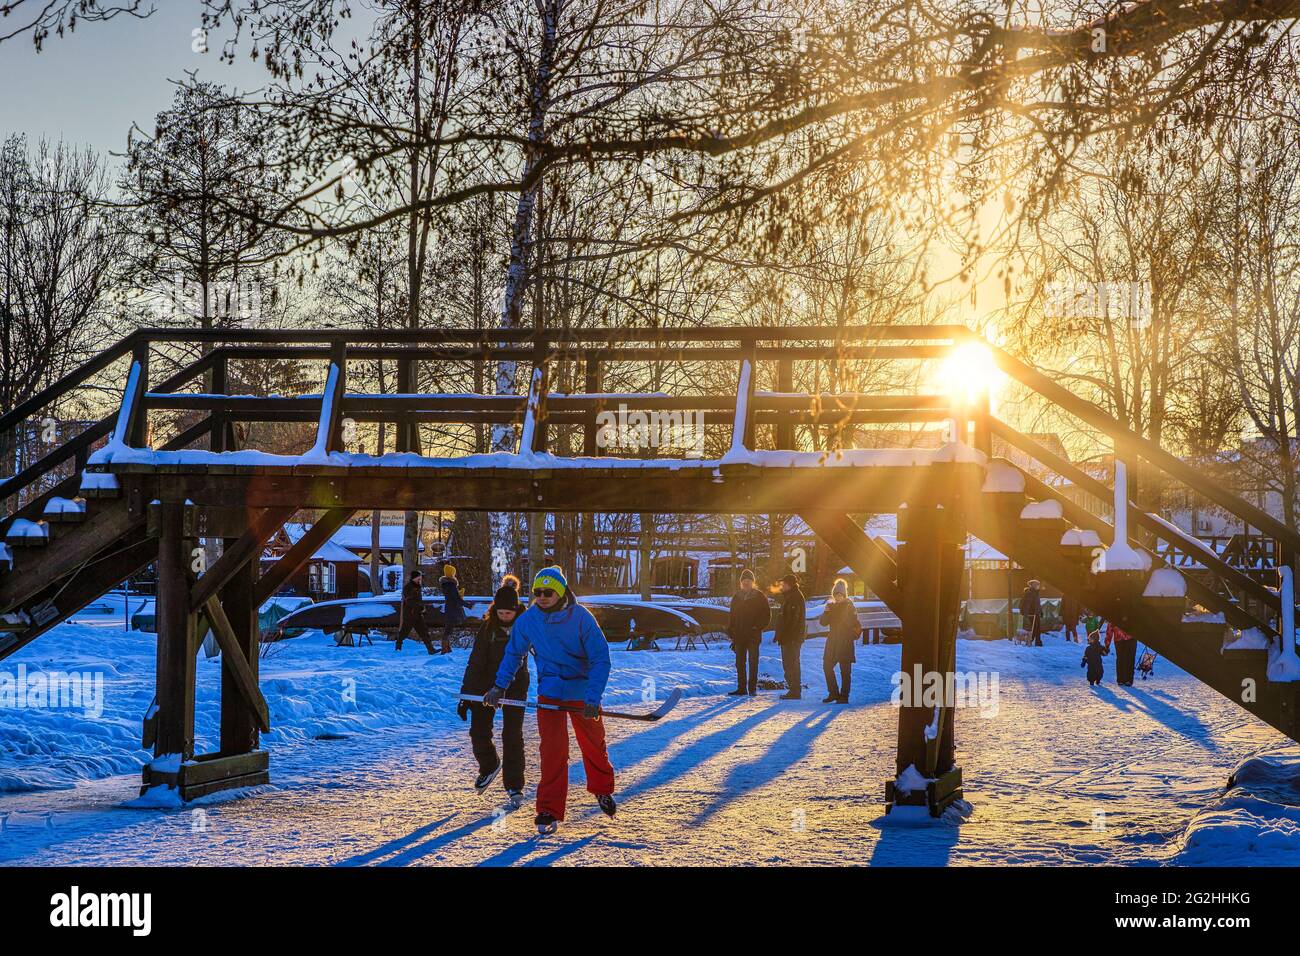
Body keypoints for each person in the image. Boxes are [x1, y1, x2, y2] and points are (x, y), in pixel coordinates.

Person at [484, 567, 616, 836]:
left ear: (561, 592)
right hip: (551, 691)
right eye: (537, 593)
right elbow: (513, 655)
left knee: (593, 744)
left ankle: (601, 789)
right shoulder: (528, 620)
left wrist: (592, 697)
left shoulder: (581, 618)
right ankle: (548, 809)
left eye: (548, 592)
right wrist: (500, 686)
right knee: (552, 751)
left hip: (581, 691)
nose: (542, 597)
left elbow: (600, 658)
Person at [458, 575, 529, 807]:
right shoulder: (488, 628)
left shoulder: (525, 628)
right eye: (501, 613)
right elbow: (476, 661)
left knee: (512, 735)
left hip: (515, 685)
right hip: (485, 685)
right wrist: (466, 694)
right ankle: (489, 765)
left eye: (509, 613)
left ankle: (514, 785)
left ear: (517, 610)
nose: (505, 617)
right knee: (478, 730)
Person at [726, 568, 769, 696]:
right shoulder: (736, 597)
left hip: (753, 636)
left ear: (753, 582)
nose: (746, 583)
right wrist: (731, 630)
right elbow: (732, 616)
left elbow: (766, 615)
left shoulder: (759, 596)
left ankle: (752, 688)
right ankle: (741, 688)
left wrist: (757, 627)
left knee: (753, 662)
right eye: (744, 580)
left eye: (748, 581)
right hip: (739, 635)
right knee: (739, 663)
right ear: (741, 582)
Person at [819, 578, 857, 704]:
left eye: (840, 594)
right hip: (832, 642)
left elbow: (852, 623)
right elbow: (823, 623)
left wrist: (842, 611)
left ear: (844, 595)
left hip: (845, 642)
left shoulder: (849, 606)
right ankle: (833, 693)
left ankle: (844, 696)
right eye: (836, 594)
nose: (838, 597)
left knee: (845, 671)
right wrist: (826, 612)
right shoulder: (831, 606)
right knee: (827, 666)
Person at [773, 572, 806, 700]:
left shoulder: (795, 597)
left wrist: (785, 635)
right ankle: (794, 689)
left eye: (784, 583)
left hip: (792, 638)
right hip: (789, 637)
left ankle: (795, 690)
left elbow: (792, 620)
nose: (782, 586)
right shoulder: (790, 596)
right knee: (789, 664)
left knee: (791, 663)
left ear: (790, 585)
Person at [395, 570, 435, 654]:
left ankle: (431, 649)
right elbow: (409, 601)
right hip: (410, 614)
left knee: (424, 631)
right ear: (414, 577)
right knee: (404, 632)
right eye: (419, 577)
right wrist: (419, 607)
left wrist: (421, 608)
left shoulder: (417, 586)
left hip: (417, 614)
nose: (420, 579)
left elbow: (417, 600)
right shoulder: (409, 587)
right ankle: (398, 648)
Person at [439, 563, 466, 654]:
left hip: (449, 608)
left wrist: (458, 593)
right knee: (449, 629)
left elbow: (452, 596)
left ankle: (447, 648)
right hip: (453, 609)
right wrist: (467, 604)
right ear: (451, 574)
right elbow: (456, 598)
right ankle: (444, 649)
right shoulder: (451, 585)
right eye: (453, 573)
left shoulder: (446, 584)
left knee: (449, 628)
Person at [1106, 621, 1137, 686]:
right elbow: (1110, 628)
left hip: (1129, 638)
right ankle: (1123, 680)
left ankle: (1126, 680)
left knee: (1127, 659)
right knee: (1122, 659)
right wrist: (1107, 643)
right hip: (1121, 639)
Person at [1019, 579, 1043, 646]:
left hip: (1036, 613)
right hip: (1032, 613)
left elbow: (1038, 603)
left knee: (1037, 628)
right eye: (1036, 585)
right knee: (1035, 628)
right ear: (1033, 585)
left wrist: (1041, 611)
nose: (1038, 586)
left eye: (1038, 585)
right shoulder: (1029, 593)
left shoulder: (1036, 593)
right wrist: (1026, 613)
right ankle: (1033, 641)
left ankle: (1035, 641)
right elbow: (1027, 604)